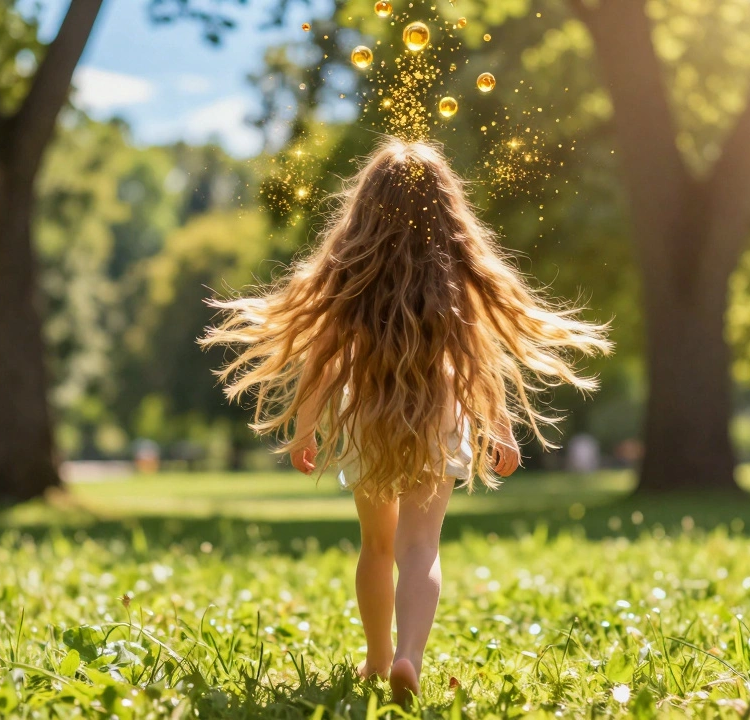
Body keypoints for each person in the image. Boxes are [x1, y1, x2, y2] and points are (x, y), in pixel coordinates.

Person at [201, 138, 610, 704]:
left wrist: (305, 427)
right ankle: (407, 657)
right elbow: (481, 363)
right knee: (422, 546)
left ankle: (374, 656)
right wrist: (502, 428)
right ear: (448, 209)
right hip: (438, 415)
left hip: (368, 415)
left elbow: (323, 360)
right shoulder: (454, 278)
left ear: (366, 209)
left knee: (378, 546)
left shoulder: (352, 277)